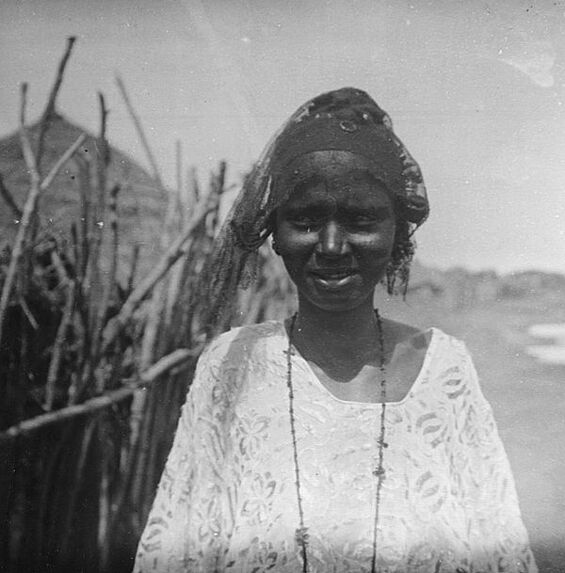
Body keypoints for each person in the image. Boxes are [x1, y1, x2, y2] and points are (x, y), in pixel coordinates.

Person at [133, 88, 537, 572]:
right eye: (304, 219)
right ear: (274, 232)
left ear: (397, 233)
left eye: (361, 218)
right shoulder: (232, 365)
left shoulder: (445, 373)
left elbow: (500, 553)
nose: (330, 246)